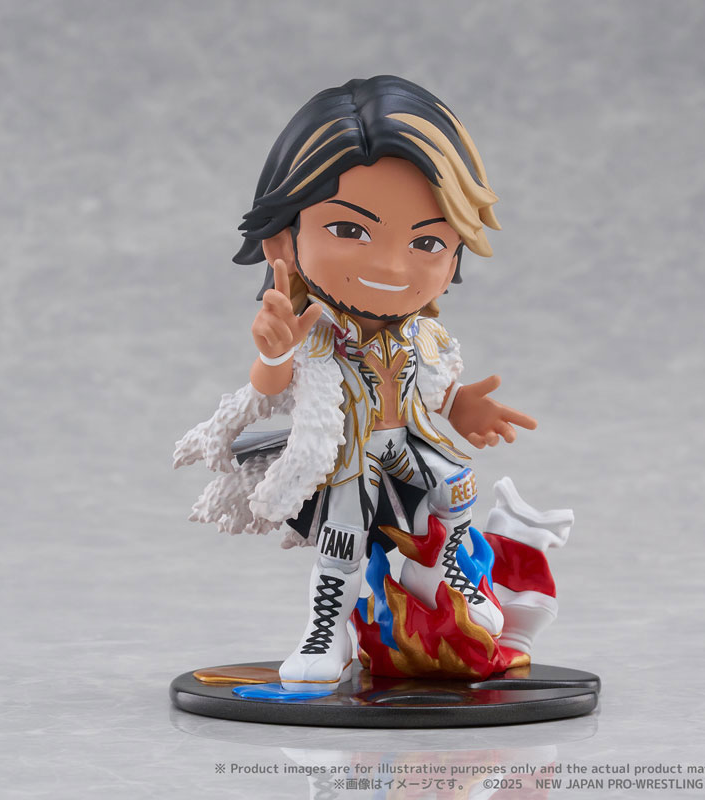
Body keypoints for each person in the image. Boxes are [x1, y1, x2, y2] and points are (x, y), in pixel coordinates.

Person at [174, 76, 536, 691]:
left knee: (457, 485)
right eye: (349, 231)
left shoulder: (423, 336)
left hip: (407, 444)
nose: (391, 266)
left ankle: (443, 574)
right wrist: (273, 354)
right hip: (349, 457)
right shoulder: (316, 334)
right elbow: (271, 384)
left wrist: (461, 406)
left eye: (426, 241)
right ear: (283, 241)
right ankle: (327, 630)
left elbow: (436, 387)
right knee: (342, 537)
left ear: (454, 253)